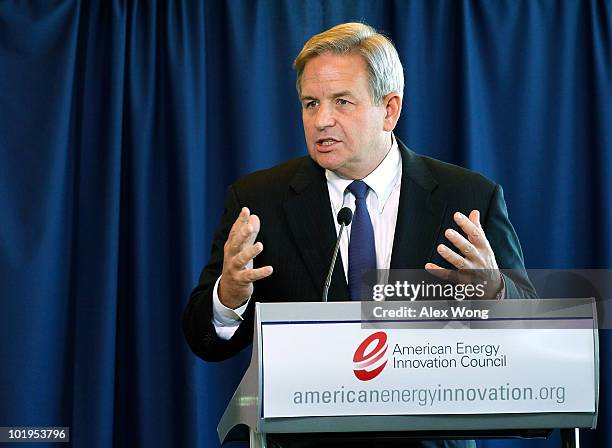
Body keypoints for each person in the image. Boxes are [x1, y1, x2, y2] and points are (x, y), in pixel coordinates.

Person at [183, 22, 536, 448]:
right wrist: (230, 295)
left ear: (389, 109)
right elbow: (205, 338)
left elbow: (533, 332)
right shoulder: (260, 201)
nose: (321, 120)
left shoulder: (466, 198)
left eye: (341, 102)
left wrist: (495, 292)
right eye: (310, 103)